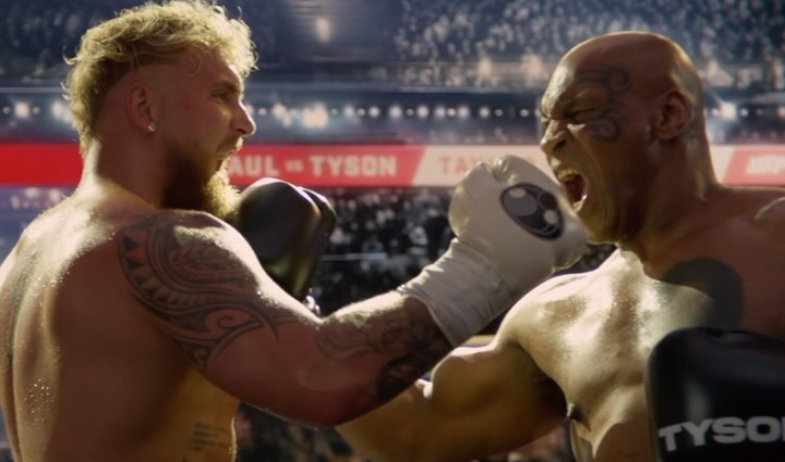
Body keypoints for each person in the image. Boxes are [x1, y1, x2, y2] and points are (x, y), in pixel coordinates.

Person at [0, 1, 587, 462]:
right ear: (144, 107)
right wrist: (485, 264)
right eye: (222, 95)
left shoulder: (31, 251)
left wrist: (284, 309)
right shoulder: (163, 240)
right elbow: (321, 379)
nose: (246, 123)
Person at [337, 31, 785, 462]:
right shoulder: (557, 314)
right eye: (547, 122)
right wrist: (298, 302)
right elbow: (417, 432)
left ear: (668, 115)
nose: (550, 138)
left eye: (580, 111)